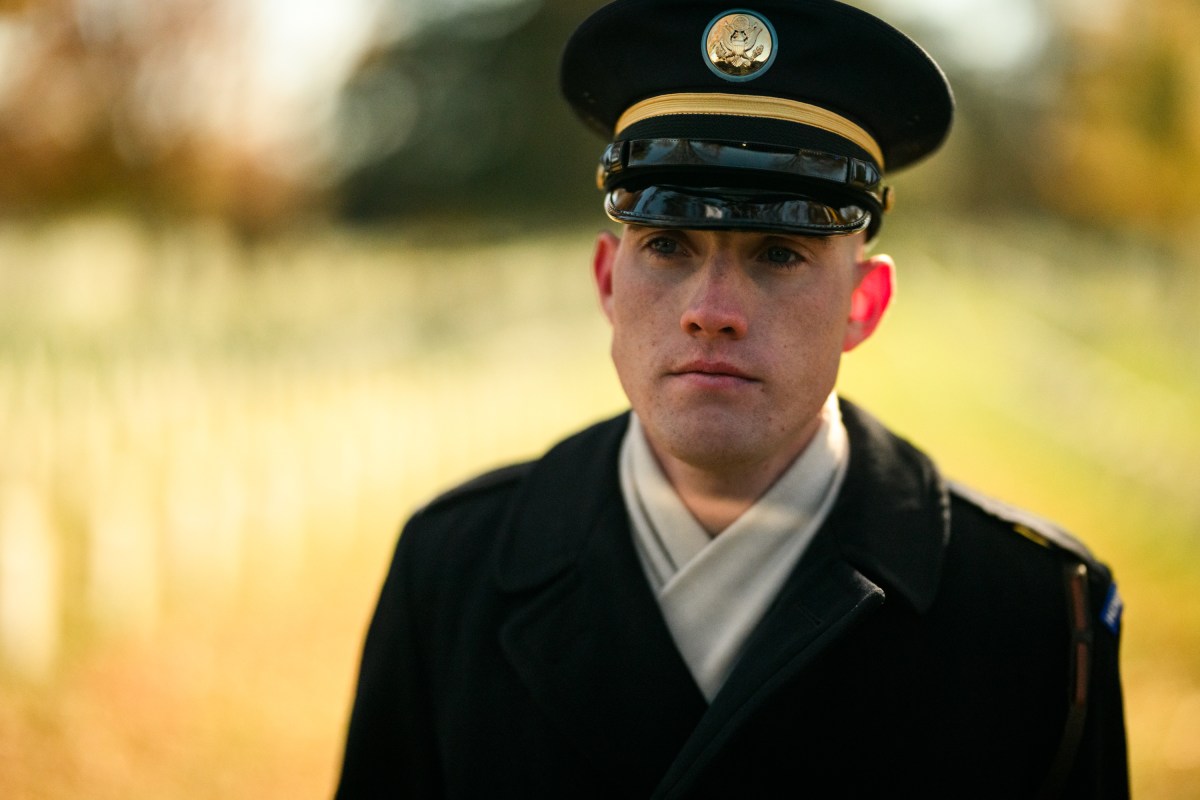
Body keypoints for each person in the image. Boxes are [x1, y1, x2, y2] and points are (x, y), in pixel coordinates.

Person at [334, 0, 1129, 797]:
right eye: (669, 244)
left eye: (780, 251)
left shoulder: (1031, 614)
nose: (710, 308)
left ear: (863, 305)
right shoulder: (450, 574)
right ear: (609, 282)